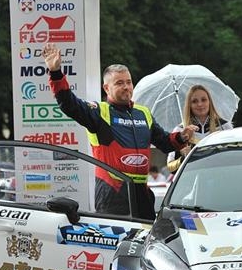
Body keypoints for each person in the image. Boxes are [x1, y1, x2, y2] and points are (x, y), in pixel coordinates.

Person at [42, 43, 195, 219]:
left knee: (147, 235)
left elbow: (165, 143)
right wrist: (55, 72)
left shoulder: (143, 113)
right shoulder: (99, 111)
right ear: (106, 88)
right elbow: (69, 104)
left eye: (129, 82)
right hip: (112, 193)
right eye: (119, 83)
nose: (126, 87)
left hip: (141, 193)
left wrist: (181, 137)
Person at [166, 84, 232, 174]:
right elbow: (171, 168)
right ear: (189, 105)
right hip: (193, 180)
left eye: (203, 100)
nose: (200, 104)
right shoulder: (180, 131)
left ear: (209, 102)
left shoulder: (224, 126)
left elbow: (234, 158)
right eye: (194, 101)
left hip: (221, 177)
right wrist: (184, 158)